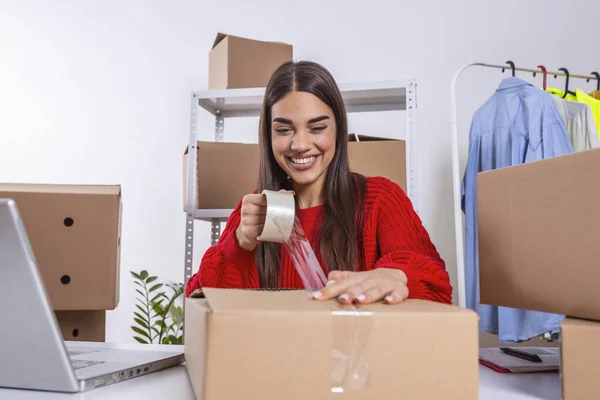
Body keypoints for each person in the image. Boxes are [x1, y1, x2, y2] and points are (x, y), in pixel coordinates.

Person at [185, 61, 452, 305]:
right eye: (284, 129)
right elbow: (201, 300)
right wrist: (240, 244)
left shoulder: (380, 199)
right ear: (268, 135)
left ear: (338, 129)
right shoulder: (255, 211)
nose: (300, 145)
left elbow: (436, 286)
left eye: (317, 127)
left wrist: (397, 276)